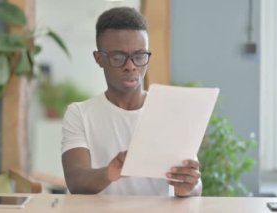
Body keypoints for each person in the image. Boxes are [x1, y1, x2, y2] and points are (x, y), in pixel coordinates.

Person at [61, 6, 202, 197]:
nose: (130, 66)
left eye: (139, 55)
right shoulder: (80, 113)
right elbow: (76, 182)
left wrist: (187, 188)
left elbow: (195, 187)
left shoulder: (170, 111)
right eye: (118, 57)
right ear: (99, 58)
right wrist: (110, 173)